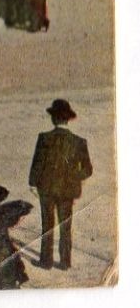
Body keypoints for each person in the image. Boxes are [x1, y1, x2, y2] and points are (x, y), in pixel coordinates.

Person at [28, 98, 94, 270]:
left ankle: (46, 261)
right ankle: (65, 262)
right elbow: (88, 170)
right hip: (67, 190)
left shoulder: (44, 138)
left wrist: (33, 184)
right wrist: (73, 177)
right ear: (68, 119)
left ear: (53, 118)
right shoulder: (79, 142)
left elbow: (37, 164)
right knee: (66, 226)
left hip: (46, 189)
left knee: (47, 225)